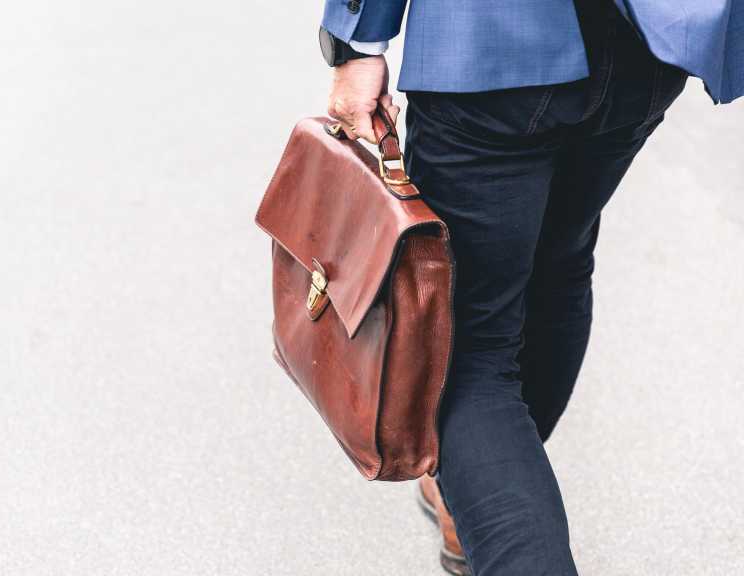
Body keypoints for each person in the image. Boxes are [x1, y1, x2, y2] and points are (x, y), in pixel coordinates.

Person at [318, 0, 742, 574]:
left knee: (466, 349)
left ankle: (484, 485)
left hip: (492, 44)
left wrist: (357, 40)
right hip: (647, 47)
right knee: (559, 262)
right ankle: (479, 487)